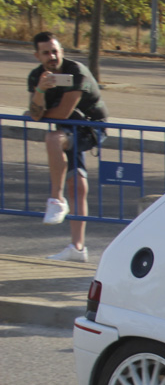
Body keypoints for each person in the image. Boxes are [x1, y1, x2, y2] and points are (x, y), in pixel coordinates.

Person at [27, 31, 109, 262]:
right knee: (77, 185)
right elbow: (36, 114)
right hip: (67, 128)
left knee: (53, 140)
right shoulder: (36, 77)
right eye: (46, 53)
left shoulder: (76, 72)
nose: (52, 56)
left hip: (90, 127)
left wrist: (39, 113)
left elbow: (59, 112)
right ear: (37, 55)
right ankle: (77, 248)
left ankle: (56, 200)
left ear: (62, 51)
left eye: (55, 51)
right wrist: (41, 90)